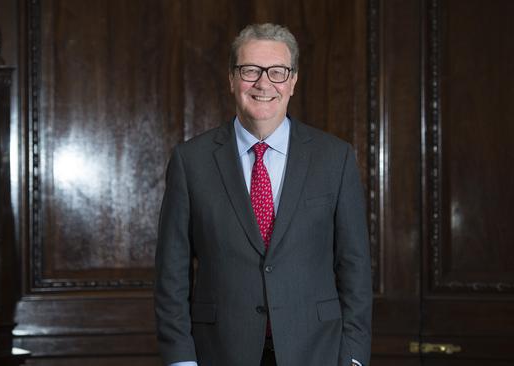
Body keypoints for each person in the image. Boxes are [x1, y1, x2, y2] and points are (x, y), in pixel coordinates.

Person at [155, 23, 372, 366]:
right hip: (220, 352)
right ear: (231, 79)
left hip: (318, 352)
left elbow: (355, 268)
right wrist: (181, 360)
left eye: (277, 71)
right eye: (250, 70)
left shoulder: (336, 158)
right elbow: (171, 273)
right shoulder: (190, 161)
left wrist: (354, 357)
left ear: (293, 80)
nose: (263, 83)